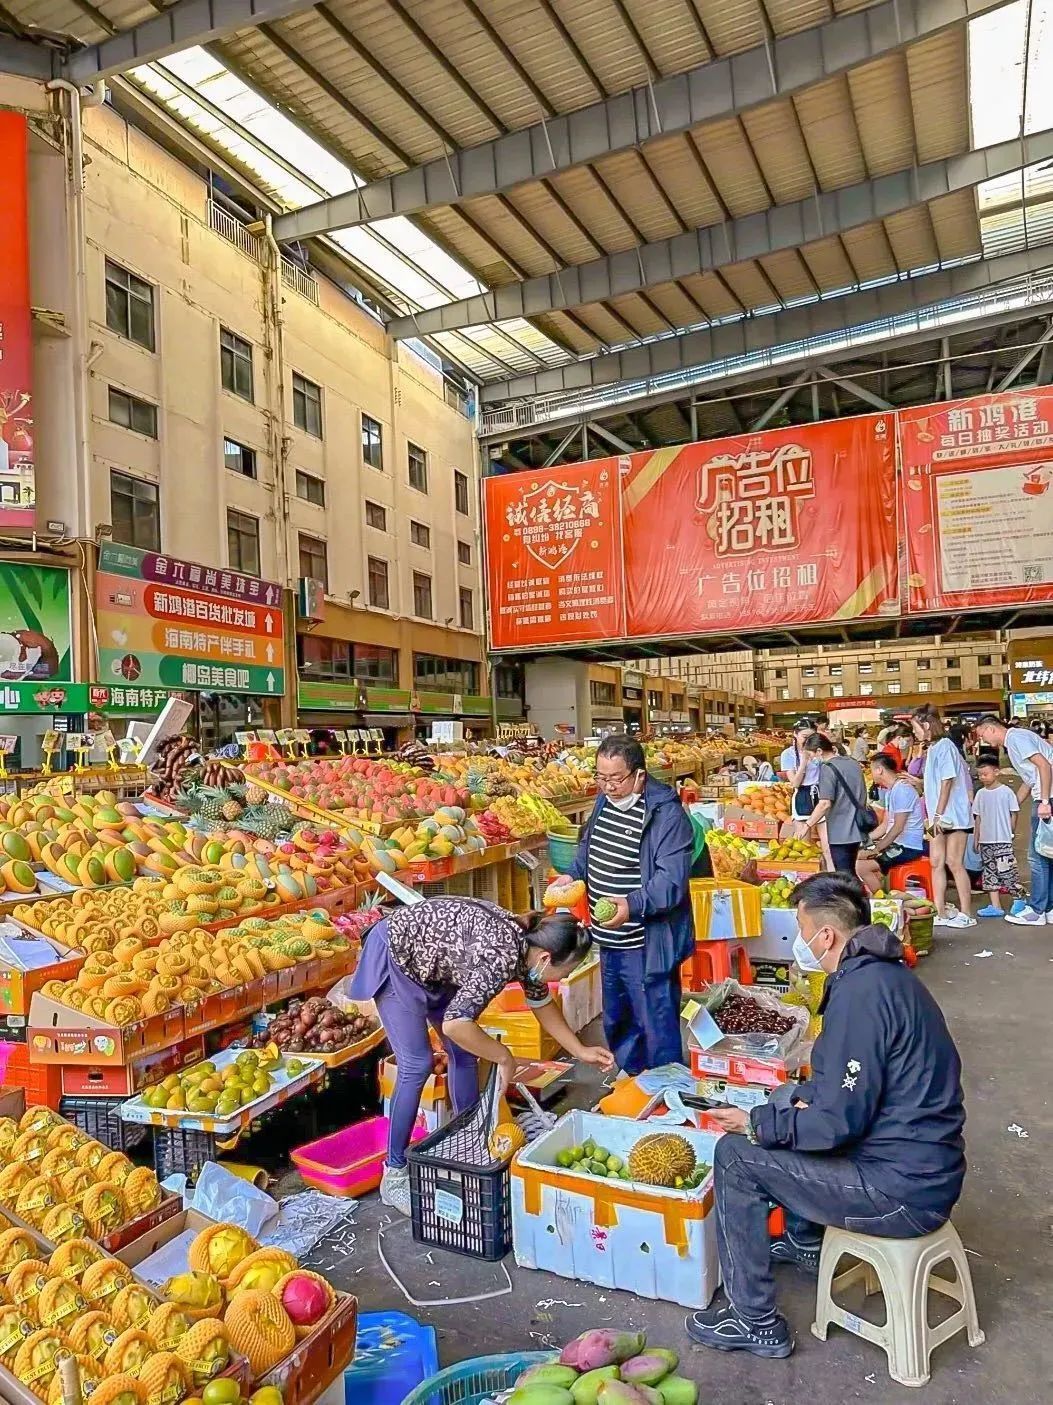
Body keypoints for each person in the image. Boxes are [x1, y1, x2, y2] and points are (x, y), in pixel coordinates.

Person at [686, 873, 965, 1360]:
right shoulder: (887, 976)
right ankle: (806, 1241)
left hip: (901, 1193)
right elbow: (842, 1094)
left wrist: (756, 1124)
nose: (799, 942)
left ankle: (753, 1320)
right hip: (921, 1164)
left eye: (800, 930)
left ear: (827, 935)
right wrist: (783, 1103)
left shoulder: (861, 996)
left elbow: (837, 1124)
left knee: (736, 1156)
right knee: (790, 1098)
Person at [351, 897, 613, 1215]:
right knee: (416, 1064)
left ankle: (470, 1141)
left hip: (436, 966)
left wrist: (580, 1050)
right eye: (563, 972)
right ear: (546, 958)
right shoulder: (502, 954)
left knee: (464, 1052)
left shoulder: (526, 951)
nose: (557, 981)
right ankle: (394, 1175)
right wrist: (503, 1056)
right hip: (397, 957)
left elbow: (542, 1005)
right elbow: (456, 1023)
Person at [561, 734, 693, 1075]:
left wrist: (630, 905)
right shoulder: (606, 801)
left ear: (639, 776)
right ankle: (633, 1080)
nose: (607, 786)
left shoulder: (667, 816)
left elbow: (671, 883)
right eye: (601, 778)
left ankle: (666, 1090)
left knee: (655, 1023)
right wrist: (572, 876)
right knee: (619, 1020)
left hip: (646, 945)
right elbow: (590, 847)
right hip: (610, 942)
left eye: (616, 779)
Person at [974, 714, 1053, 926]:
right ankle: (1049, 908)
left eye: (983, 735)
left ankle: (1037, 910)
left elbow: (1045, 766)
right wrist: (1013, 804)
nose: (985, 741)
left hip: (1048, 798)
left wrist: (1045, 800)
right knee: (1046, 854)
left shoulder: (1016, 738)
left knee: (1037, 857)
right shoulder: (1015, 742)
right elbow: (1031, 778)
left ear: (991, 728)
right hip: (1044, 796)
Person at [911, 705, 975, 930]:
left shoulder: (945, 746)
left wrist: (937, 813)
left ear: (926, 725)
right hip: (937, 817)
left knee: (954, 863)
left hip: (952, 817)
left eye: (916, 727)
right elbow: (937, 783)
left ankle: (966, 913)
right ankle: (940, 912)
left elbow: (948, 781)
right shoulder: (935, 748)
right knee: (936, 862)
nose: (915, 733)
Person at [793, 733, 869, 875]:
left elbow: (824, 804)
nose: (811, 760)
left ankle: (857, 897)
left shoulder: (828, 768)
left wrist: (807, 825)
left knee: (844, 874)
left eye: (810, 756)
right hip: (858, 827)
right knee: (850, 871)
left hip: (841, 830)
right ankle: (858, 896)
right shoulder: (852, 762)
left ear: (819, 751)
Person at [856, 754, 926, 894]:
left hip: (908, 846)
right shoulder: (891, 791)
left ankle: (883, 901)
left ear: (880, 770)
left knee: (861, 866)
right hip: (896, 843)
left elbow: (897, 828)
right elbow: (885, 826)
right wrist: (864, 841)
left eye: (872, 769)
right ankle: (882, 894)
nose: (871, 773)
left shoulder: (903, 790)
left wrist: (877, 849)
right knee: (857, 855)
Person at [971, 755, 1027, 918]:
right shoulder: (980, 794)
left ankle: (1019, 898)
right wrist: (976, 838)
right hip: (986, 840)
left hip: (1002, 839)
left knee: (1008, 871)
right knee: (989, 873)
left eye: (985, 774)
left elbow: (1013, 813)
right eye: (980, 775)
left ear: (997, 772)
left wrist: (1011, 831)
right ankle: (995, 906)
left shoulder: (1006, 792)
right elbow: (978, 817)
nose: (982, 777)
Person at [778, 719, 822, 821]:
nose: (808, 741)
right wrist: (803, 764)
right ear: (795, 734)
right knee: (802, 834)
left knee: (826, 835)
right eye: (805, 737)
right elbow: (795, 783)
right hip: (802, 796)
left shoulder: (820, 751)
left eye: (812, 737)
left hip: (821, 795)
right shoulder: (788, 754)